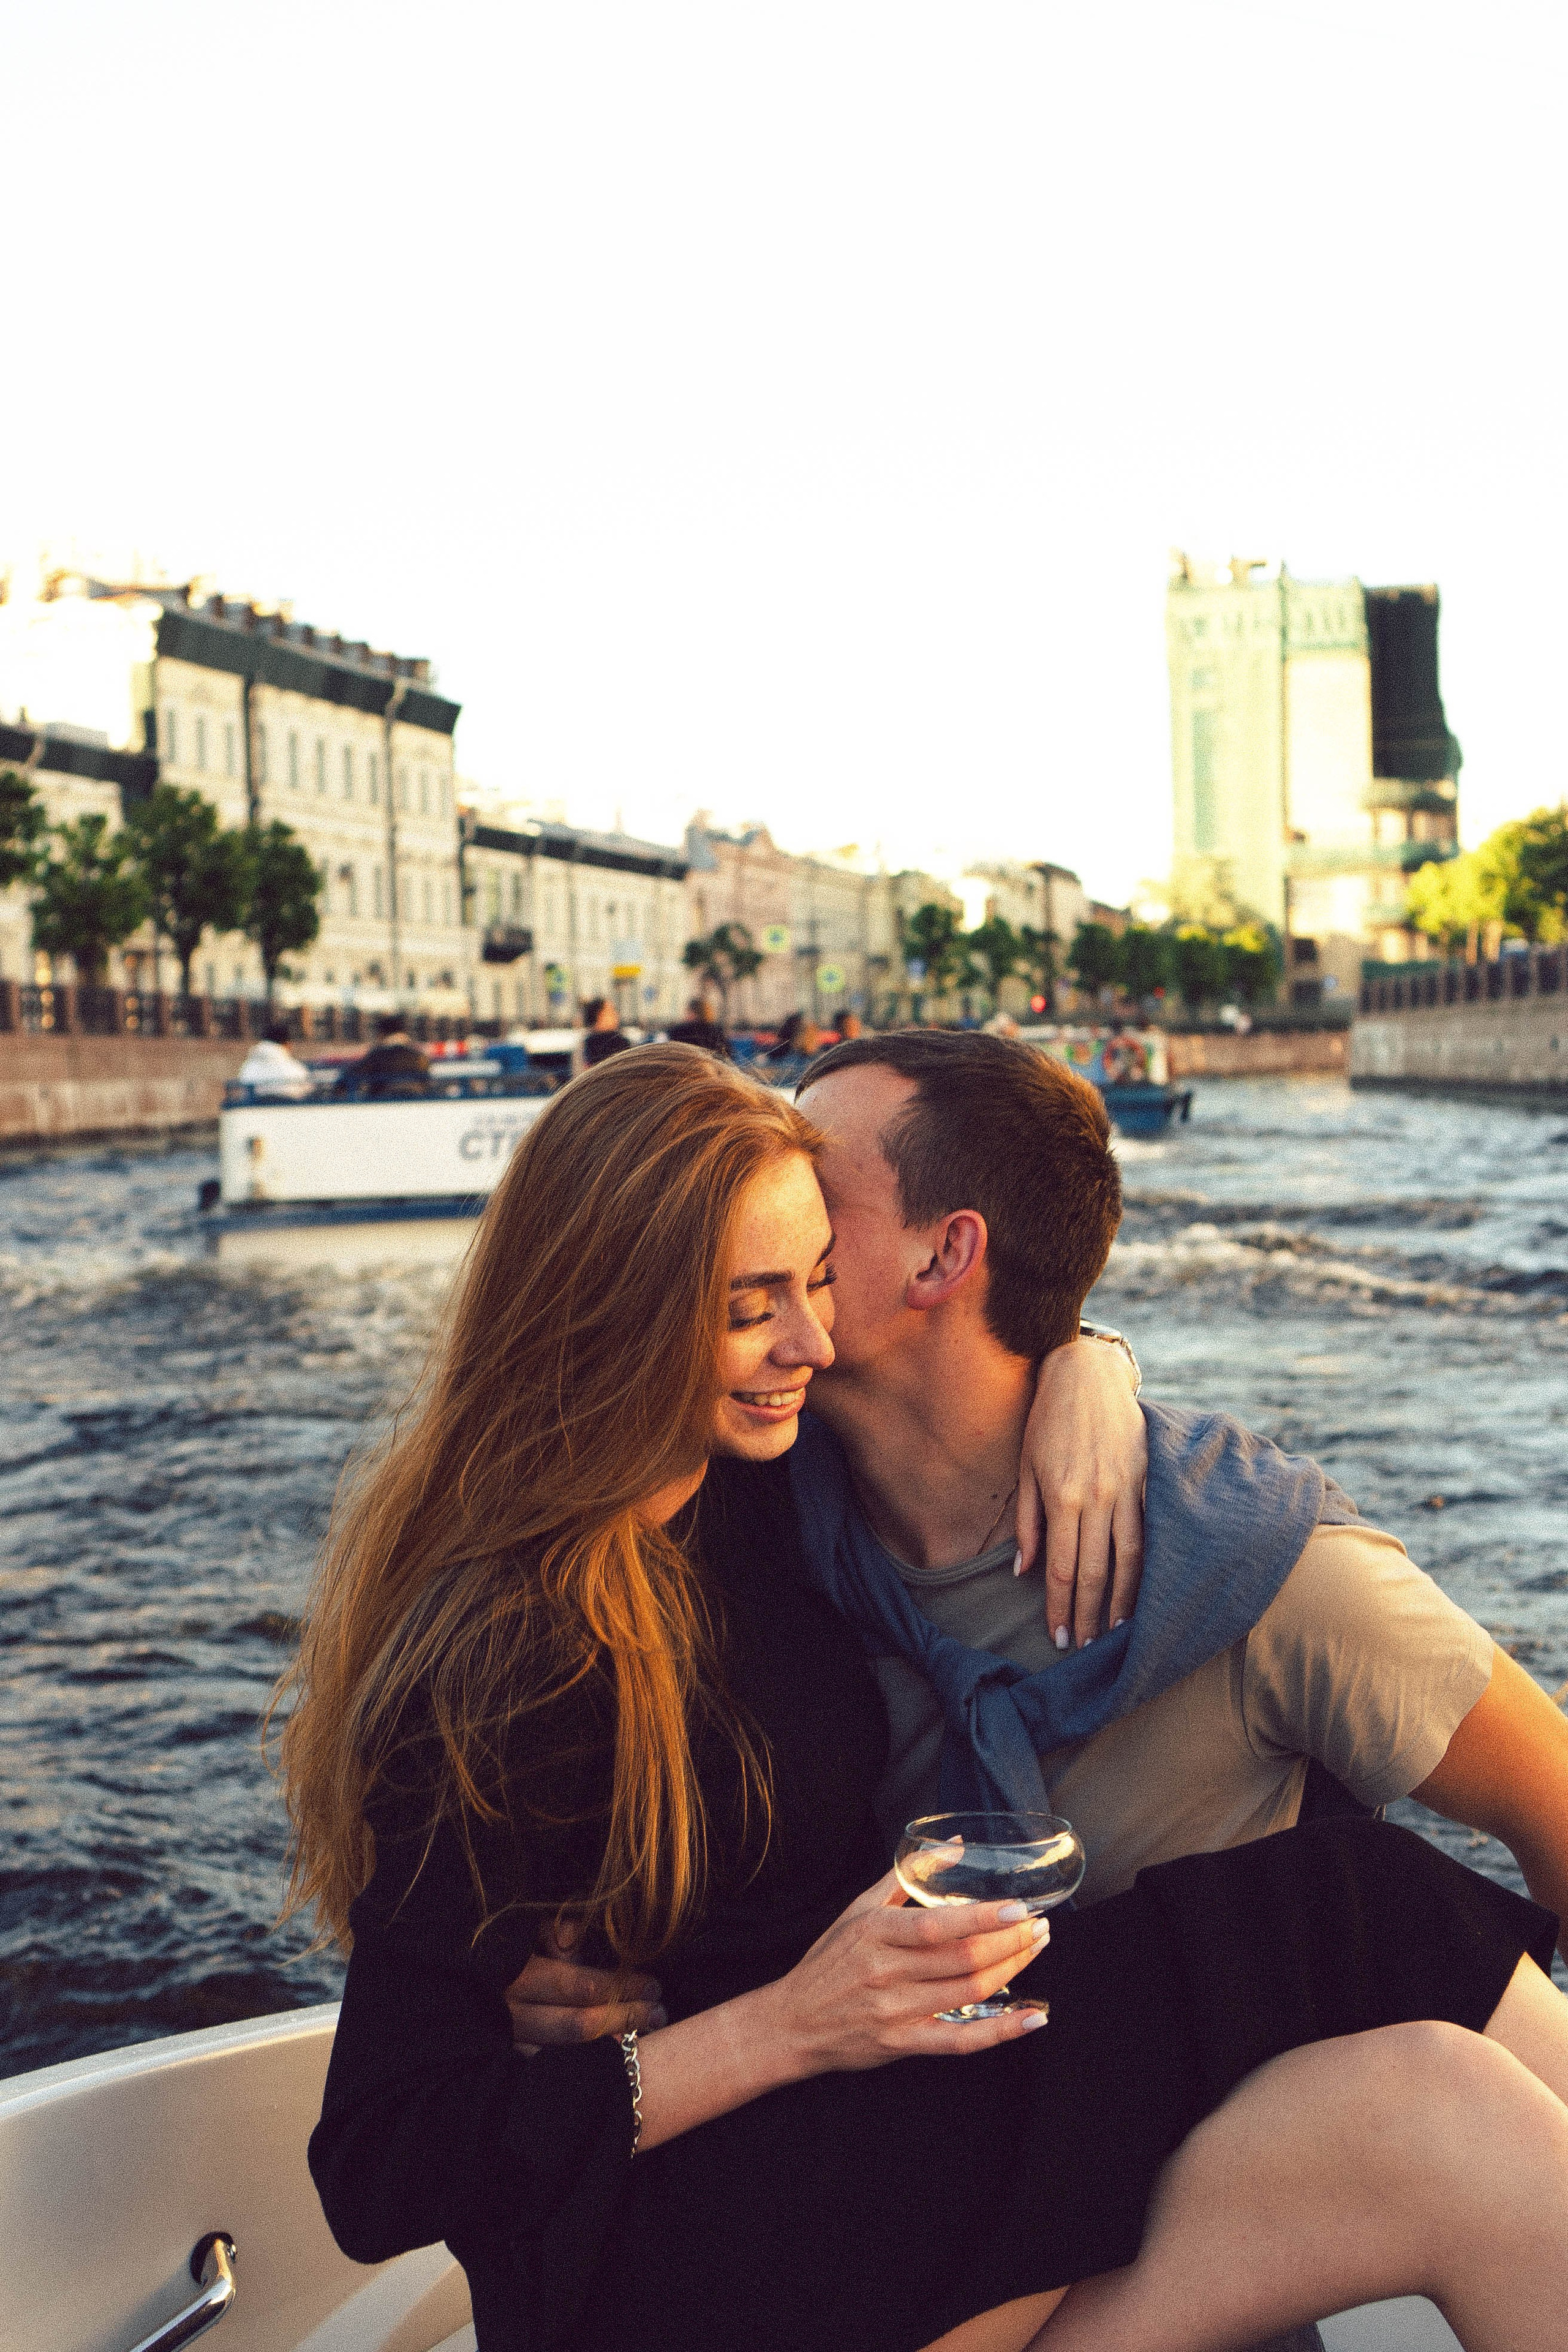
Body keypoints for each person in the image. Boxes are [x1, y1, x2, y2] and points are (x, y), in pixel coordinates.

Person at [285, 1047, 1568, 2352]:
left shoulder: (761, 1497)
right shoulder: (509, 1645)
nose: (809, 1336)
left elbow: (981, 1345)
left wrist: (1082, 1366)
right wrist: (784, 2027)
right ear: (624, 1311)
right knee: (1350, 1905)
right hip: (685, 2258)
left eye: (812, 1276)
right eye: (755, 1304)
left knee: (1434, 2106)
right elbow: (382, 2163)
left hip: (852, 2148)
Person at [341, 1012, 431, 1098]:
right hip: (416, 1103)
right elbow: (426, 1083)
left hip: (381, 1104)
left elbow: (351, 1074)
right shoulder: (420, 1057)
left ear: (381, 1034)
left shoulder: (377, 1055)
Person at [236, 1017, 314, 1099]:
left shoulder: (247, 1068)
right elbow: (308, 1090)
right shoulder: (294, 1069)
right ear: (287, 1044)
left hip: (252, 1110)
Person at [667, 995, 731, 1057]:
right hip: (710, 1066)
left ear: (693, 1013)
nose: (685, 1015)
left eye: (688, 1012)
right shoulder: (716, 1032)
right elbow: (727, 1054)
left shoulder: (679, 1031)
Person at [581, 997, 632, 1067]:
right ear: (598, 1015)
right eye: (610, 1012)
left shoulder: (585, 1043)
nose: (616, 1015)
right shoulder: (619, 1041)